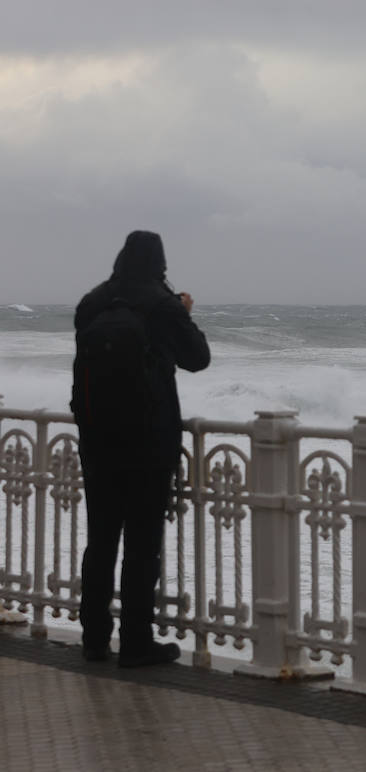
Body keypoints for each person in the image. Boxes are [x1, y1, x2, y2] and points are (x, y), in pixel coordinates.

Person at [71, 231, 210, 667]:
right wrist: (184, 312)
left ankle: (94, 638)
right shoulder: (163, 304)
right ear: (160, 261)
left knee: (101, 540)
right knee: (142, 544)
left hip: (97, 438)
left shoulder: (93, 303)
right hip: (150, 439)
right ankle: (135, 641)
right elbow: (197, 358)